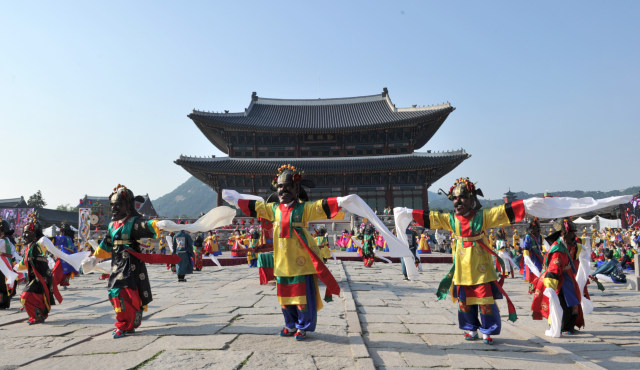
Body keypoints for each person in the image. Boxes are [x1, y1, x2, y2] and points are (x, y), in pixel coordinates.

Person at [400, 178, 526, 345]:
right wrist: (408, 213)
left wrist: (525, 205)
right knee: (464, 302)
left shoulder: (483, 217)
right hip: (461, 268)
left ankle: (487, 331)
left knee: (485, 301)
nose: (457, 201)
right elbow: (432, 217)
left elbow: (500, 213)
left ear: (472, 199)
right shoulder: (451, 219)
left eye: (462, 197)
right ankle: (470, 329)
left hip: (480, 267)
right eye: (454, 198)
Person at [223, 164, 341, 341]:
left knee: (301, 298)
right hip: (282, 262)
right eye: (279, 187)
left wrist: (339, 202)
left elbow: (319, 206)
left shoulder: (303, 208)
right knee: (285, 298)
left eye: (287, 187)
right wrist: (237, 200)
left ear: (296, 188)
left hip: (301, 262)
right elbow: (257, 206)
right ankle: (290, 325)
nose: (282, 190)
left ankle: (303, 327)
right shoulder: (274, 209)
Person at [90, 184, 179, 338]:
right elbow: (106, 244)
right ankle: (128, 322)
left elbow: (145, 225)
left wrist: (157, 224)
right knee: (115, 293)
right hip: (117, 264)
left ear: (128, 205)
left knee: (123, 292)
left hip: (130, 263)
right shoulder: (112, 225)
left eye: (118, 204)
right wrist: (94, 258)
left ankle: (125, 324)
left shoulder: (133, 222)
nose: (114, 208)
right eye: (112, 205)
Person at [531, 219, 584, 336]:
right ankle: (562, 326)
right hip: (558, 280)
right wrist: (551, 287)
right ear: (564, 233)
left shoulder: (565, 245)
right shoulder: (558, 249)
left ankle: (568, 326)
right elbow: (554, 268)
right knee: (562, 303)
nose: (574, 236)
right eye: (572, 233)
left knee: (573, 302)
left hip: (567, 278)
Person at [17, 213, 61, 324]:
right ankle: (37, 316)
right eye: (25, 233)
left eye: (28, 233)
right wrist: (15, 268)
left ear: (34, 233)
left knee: (25, 297)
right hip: (34, 278)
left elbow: (53, 253)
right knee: (33, 298)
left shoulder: (39, 244)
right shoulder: (29, 246)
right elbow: (24, 262)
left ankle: (38, 316)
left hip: (42, 277)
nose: (25, 235)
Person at [0, 219, 20, 309]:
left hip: (2, 263)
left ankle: (1, 303)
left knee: (1, 283)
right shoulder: (8, 240)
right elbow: (13, 253)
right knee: (5, 283)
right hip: (8, 262)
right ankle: (6, 303)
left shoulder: (2, 241)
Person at [522, 218, 545, 293]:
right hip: (532, 257)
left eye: (537, 228)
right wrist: (527, 258)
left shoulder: (540, 236)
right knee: (534, 271)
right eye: (534, 228)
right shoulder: (528, 237)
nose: (536, 229)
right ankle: (533, 288)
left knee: (541, 270)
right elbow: (526, 248)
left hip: (539, 255)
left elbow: (542, 246)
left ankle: (538, 286)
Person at [55, 223, 78, 289]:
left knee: (57, 270)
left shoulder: (64, 238)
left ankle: (54, 283)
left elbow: (56, 240)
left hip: (64, 257)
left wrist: (48, 239)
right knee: (67, 272)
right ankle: (64, 283)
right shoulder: (70, 239)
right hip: (70, 257)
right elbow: (74, 249)